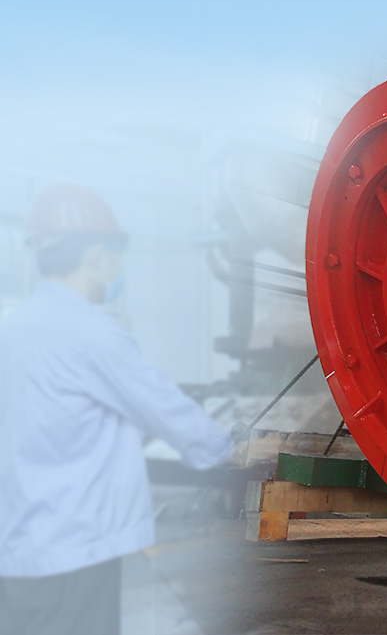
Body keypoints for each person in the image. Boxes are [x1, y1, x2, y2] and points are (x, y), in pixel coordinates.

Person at [0, 185, 235, 635]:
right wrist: (224, 451)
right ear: (94, 254)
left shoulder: (11, 331)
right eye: (115, 254)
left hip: (17, 547)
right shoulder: (91, 332)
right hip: (75, 547)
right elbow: (163, 407)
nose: (118, 265)